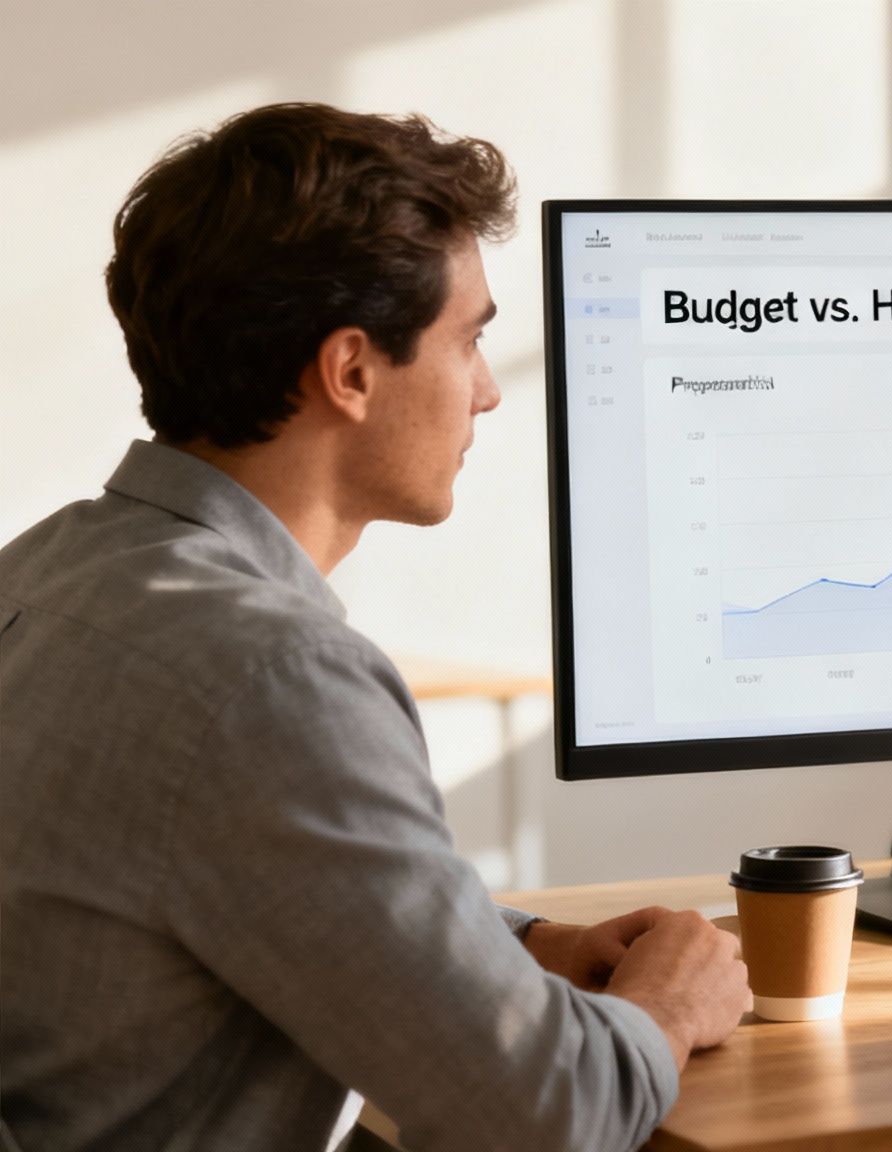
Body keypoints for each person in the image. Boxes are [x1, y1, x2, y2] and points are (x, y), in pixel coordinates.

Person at [0, 104, 750, 1152]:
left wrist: (525, 946)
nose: (486, 393)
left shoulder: (45, 571)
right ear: (350, 371)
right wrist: (667, 1005)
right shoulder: (274, 678)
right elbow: (546, 1118)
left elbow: (233, 884)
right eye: (469, 340)